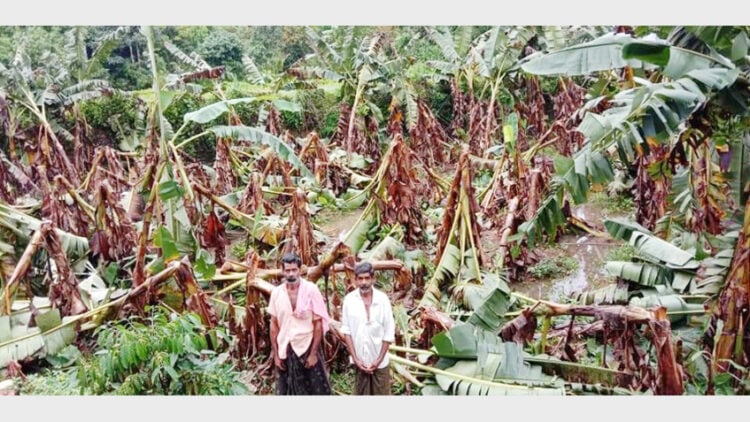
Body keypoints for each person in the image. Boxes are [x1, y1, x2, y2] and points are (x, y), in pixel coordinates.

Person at [268, 252, 331, 395]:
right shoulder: (277, 293)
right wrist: (276, 355)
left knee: (317, 391)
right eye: (288, 270)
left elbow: (318, 324)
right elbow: (273, 325)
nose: (291, 274)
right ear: (283, 271)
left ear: (300, 270)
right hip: (286, 348)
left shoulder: (311, 290)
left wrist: (314, 353)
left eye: (294, 270)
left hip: (307, 346)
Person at [340, 261, 396, 395]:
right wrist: (356, 359)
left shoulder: (382, 300)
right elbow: (347, 332)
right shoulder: (349, 300)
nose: (364, 282)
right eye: (360, 279)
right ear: (355, 280)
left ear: (373, 279)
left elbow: (388, 333)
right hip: (360, 362)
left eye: (367, 278)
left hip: (380, 362)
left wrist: (378, 361)